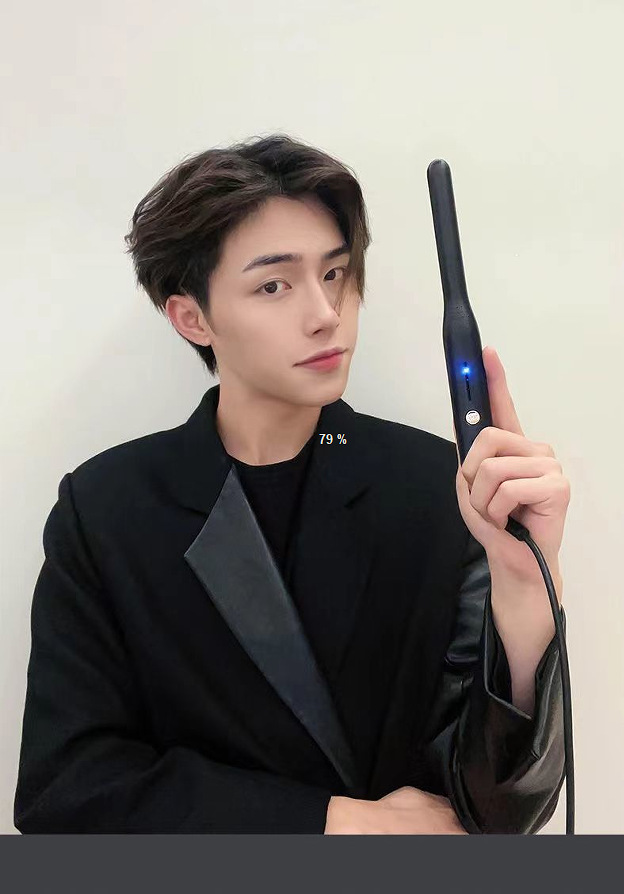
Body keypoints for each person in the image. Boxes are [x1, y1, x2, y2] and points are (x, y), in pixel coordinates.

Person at [13, 133, 566, 834]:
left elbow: (498, 811)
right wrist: (335, 824)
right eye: (274, 285)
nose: (325, 313)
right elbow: (65, 791)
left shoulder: (438, 489)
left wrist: (526, 591)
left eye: (334, 274)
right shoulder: (107, 508)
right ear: (192, 317)